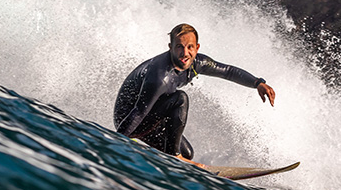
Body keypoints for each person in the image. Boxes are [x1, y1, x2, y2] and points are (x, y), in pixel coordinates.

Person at [113, 23, 276, 164]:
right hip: (128, 118)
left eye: (190, 47)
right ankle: (173, 157)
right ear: (170, 48)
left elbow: (228, 71)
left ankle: (171, 159)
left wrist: (258, 83)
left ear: (197, 48)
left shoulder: (198, 63)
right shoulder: (160, 77)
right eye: (179, 47)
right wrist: (115, 144)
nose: (185, 53)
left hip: (152, 114)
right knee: (180, 99)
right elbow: (139, 111)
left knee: (188, 154)